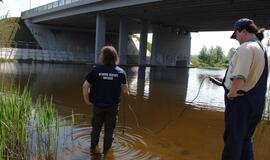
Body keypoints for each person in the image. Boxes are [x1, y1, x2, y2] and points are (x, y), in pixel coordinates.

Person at [210, 18, 268, 160]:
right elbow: (251, 76)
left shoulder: (246, 48)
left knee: (233, 141)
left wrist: (231, 93)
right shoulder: (262, 49)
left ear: (242, 30)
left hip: (241, 103)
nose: (236, 39)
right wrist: (224, 81)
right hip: (256, 103)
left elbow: (240, 77)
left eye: (236, 35)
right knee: (245, 139)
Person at [82, 45, 129, 156]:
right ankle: (106, 153)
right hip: (113, 107)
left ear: (103, 57)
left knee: (96, 129)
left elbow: (85, 86)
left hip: (98, 106)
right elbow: (125, 90)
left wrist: (87, 100)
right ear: (115, 57)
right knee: (109, 131)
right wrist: (126, 92)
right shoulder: (121, 72)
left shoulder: (95, 70)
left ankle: (93, 151)